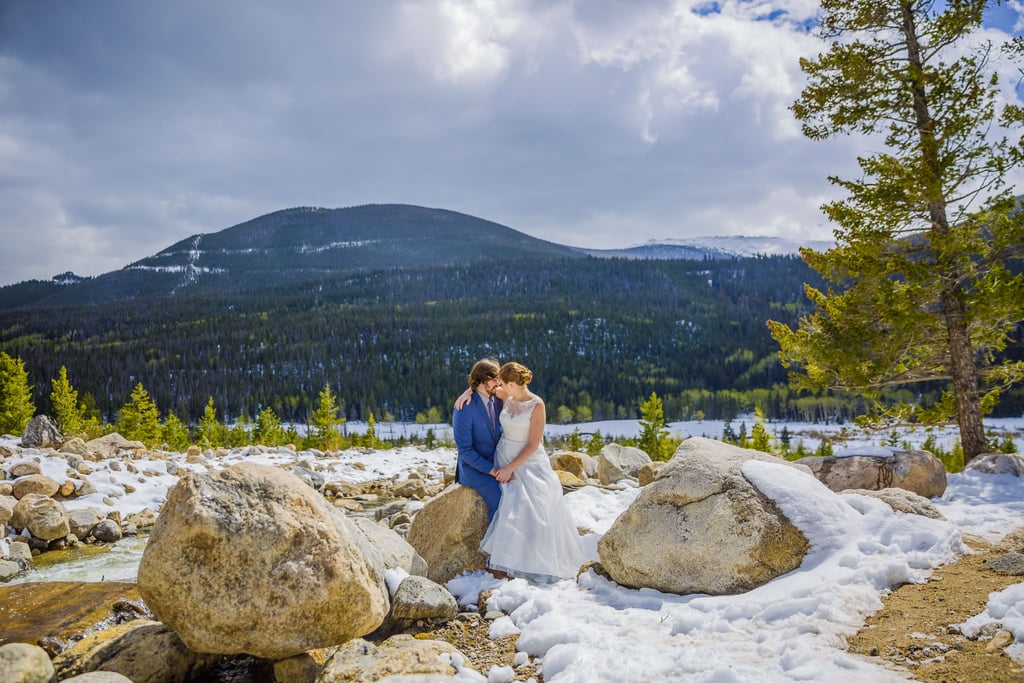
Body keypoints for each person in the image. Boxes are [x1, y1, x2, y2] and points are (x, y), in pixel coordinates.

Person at [472, 361, 587, 582]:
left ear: (514, 384)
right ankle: (503, 564)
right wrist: (466, 394)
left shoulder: (537, 405)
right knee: (510, 503)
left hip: (527, 459)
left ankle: (535, 565)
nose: (500, 387)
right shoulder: (508, 395)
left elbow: (534, 443)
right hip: (504, 453)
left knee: (532, 507)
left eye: (503, 383)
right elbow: (481, 388)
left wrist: (508, 469)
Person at [452, 358, 504, 521]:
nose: (499, 383)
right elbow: (465, 451)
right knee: (500, 498)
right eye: (494, 379)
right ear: (482, 382)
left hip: (497, 461)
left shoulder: (498, 400)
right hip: (473, 469)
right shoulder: (464, 408)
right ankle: (494, 543)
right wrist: (493, 470)